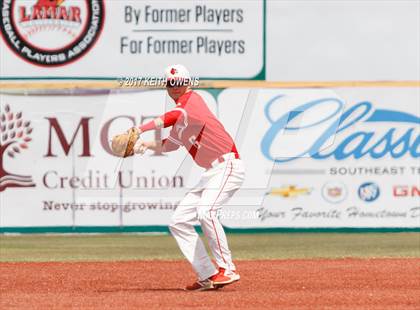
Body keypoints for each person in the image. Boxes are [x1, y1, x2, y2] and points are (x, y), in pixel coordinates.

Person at [132, 64, 245, 291]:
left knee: (206, 211)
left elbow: (174, 115)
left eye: (179, 82)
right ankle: (207, 274)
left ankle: (228, 269)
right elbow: (170, 145)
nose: (175, 87)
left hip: (228, 165)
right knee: (178, 221)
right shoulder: (182, 122)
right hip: (211, 174)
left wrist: (140, 129)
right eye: (171, 83)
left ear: (188, 83)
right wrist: (145, 144)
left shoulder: (193, 101)